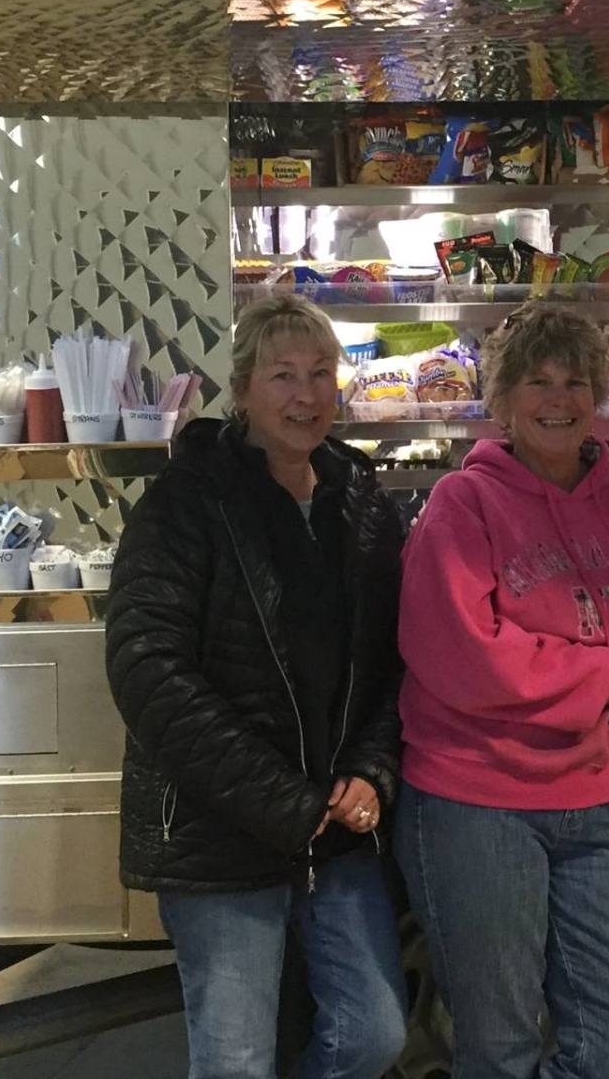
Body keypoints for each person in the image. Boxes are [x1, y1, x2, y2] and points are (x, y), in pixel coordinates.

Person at [105, 292, 409, 1079]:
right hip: (221, 837)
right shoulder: (187, 501)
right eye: (281, 375)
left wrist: (372, 771)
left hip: (337, 832)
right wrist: (283, 803)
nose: (305, 396)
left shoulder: (359, 500)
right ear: (241, 390)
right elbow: (147, 666)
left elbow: (394, 661)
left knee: (376, 1035)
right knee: (236, 1058)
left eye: (320, 374)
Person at [394, 301, 609, 1079]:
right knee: (499, 1047)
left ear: (598, 393)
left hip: (595, 801)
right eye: (537, 381)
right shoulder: (464, 505)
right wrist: (608, 675)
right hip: (476, 803)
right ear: (502, 398)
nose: (558, 399)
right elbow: (460, 652)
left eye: (575, 380)